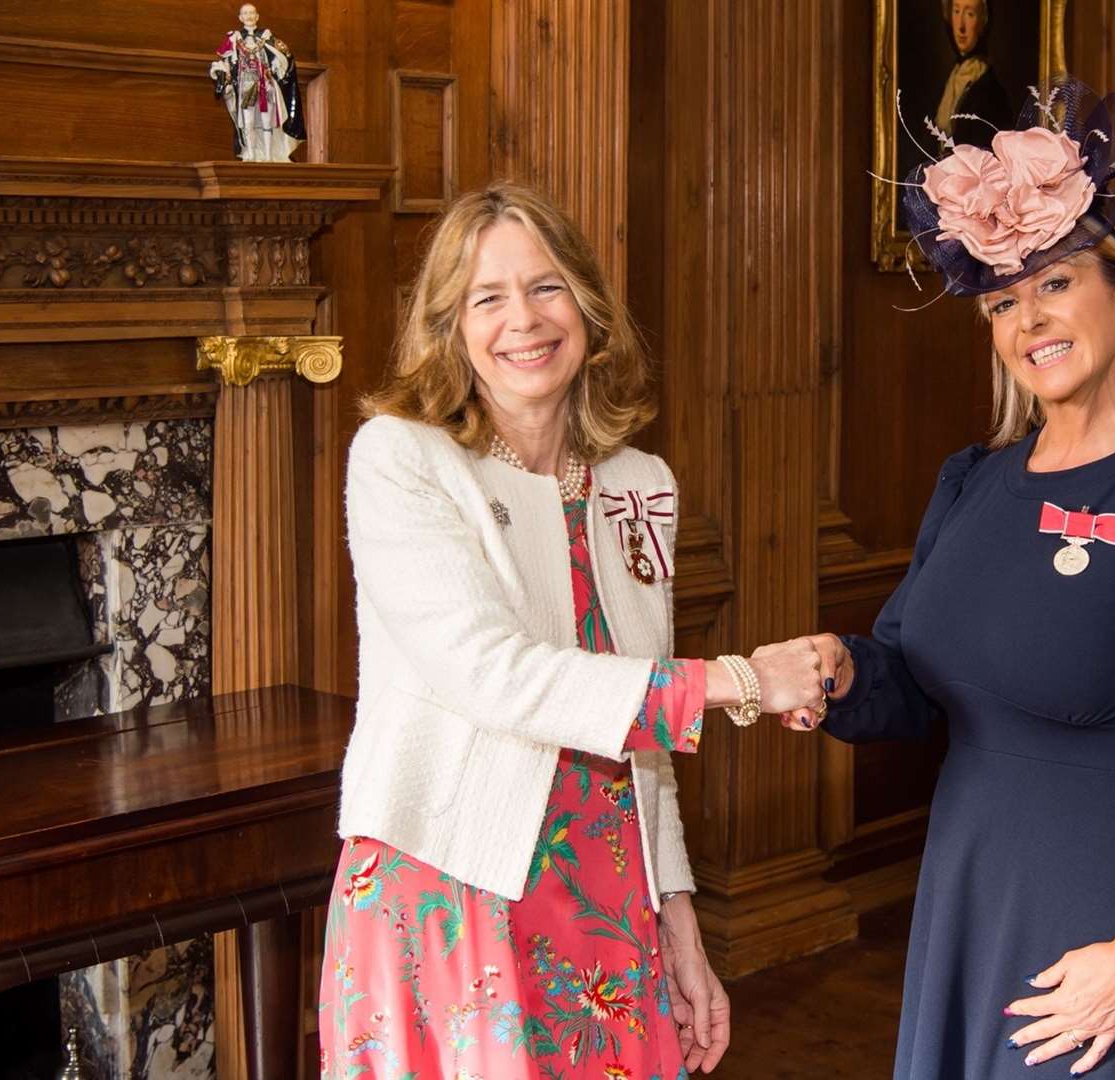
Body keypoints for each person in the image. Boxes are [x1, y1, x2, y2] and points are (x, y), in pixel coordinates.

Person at [768, 79, 1115, 1077]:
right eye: (1005, 301)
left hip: (1113, 942)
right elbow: (917, 690)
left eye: (1055, 283)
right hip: (973, 904)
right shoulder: (971, 484)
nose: (1030, 321)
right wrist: (842, 671)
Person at [318, 182, 826, 1079]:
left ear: (587, 306)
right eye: (487, 297)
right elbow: (491, 675)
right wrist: (741, 681)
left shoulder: (637, 482)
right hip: (451, 877)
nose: (523, 319)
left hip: (605, 886)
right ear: (450, 326)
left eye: (546, 286)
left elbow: (640, 734)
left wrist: (678, 918)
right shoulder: (402, 457)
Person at [209, 4, 306, 162]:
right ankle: (252, 154)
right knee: (248, 122)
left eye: (251, 13)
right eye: (245, 13)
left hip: (266, 86)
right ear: (240, 18)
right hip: (246, 86)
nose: (248, 16)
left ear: (257, 16)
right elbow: (224, 61)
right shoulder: (234, 39)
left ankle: (268, 156)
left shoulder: (267, 37)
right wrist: (222, 75)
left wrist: (276, 65)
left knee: (267, 121)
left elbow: (284, 57)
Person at [933, 0, 1011, 149]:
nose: (961, 27)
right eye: (956, 11)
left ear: (983, 22)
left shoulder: (990, 91)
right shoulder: (950, 79)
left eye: (970, 14)